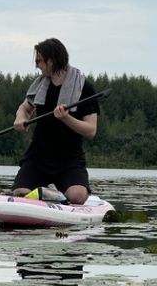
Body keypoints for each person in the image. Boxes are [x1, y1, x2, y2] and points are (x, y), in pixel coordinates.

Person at [12, 38, 99, 204]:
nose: (36, 65)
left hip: (70, 159)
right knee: (20, 194)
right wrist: (20, 118)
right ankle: (49, 194)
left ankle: (55, 195)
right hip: (38, 157)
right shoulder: (39, 86)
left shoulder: (84, 88)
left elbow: (91, 130)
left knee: (77, 196)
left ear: (51, 61)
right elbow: (24, 108)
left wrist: (66, 118)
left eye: (39, 61)